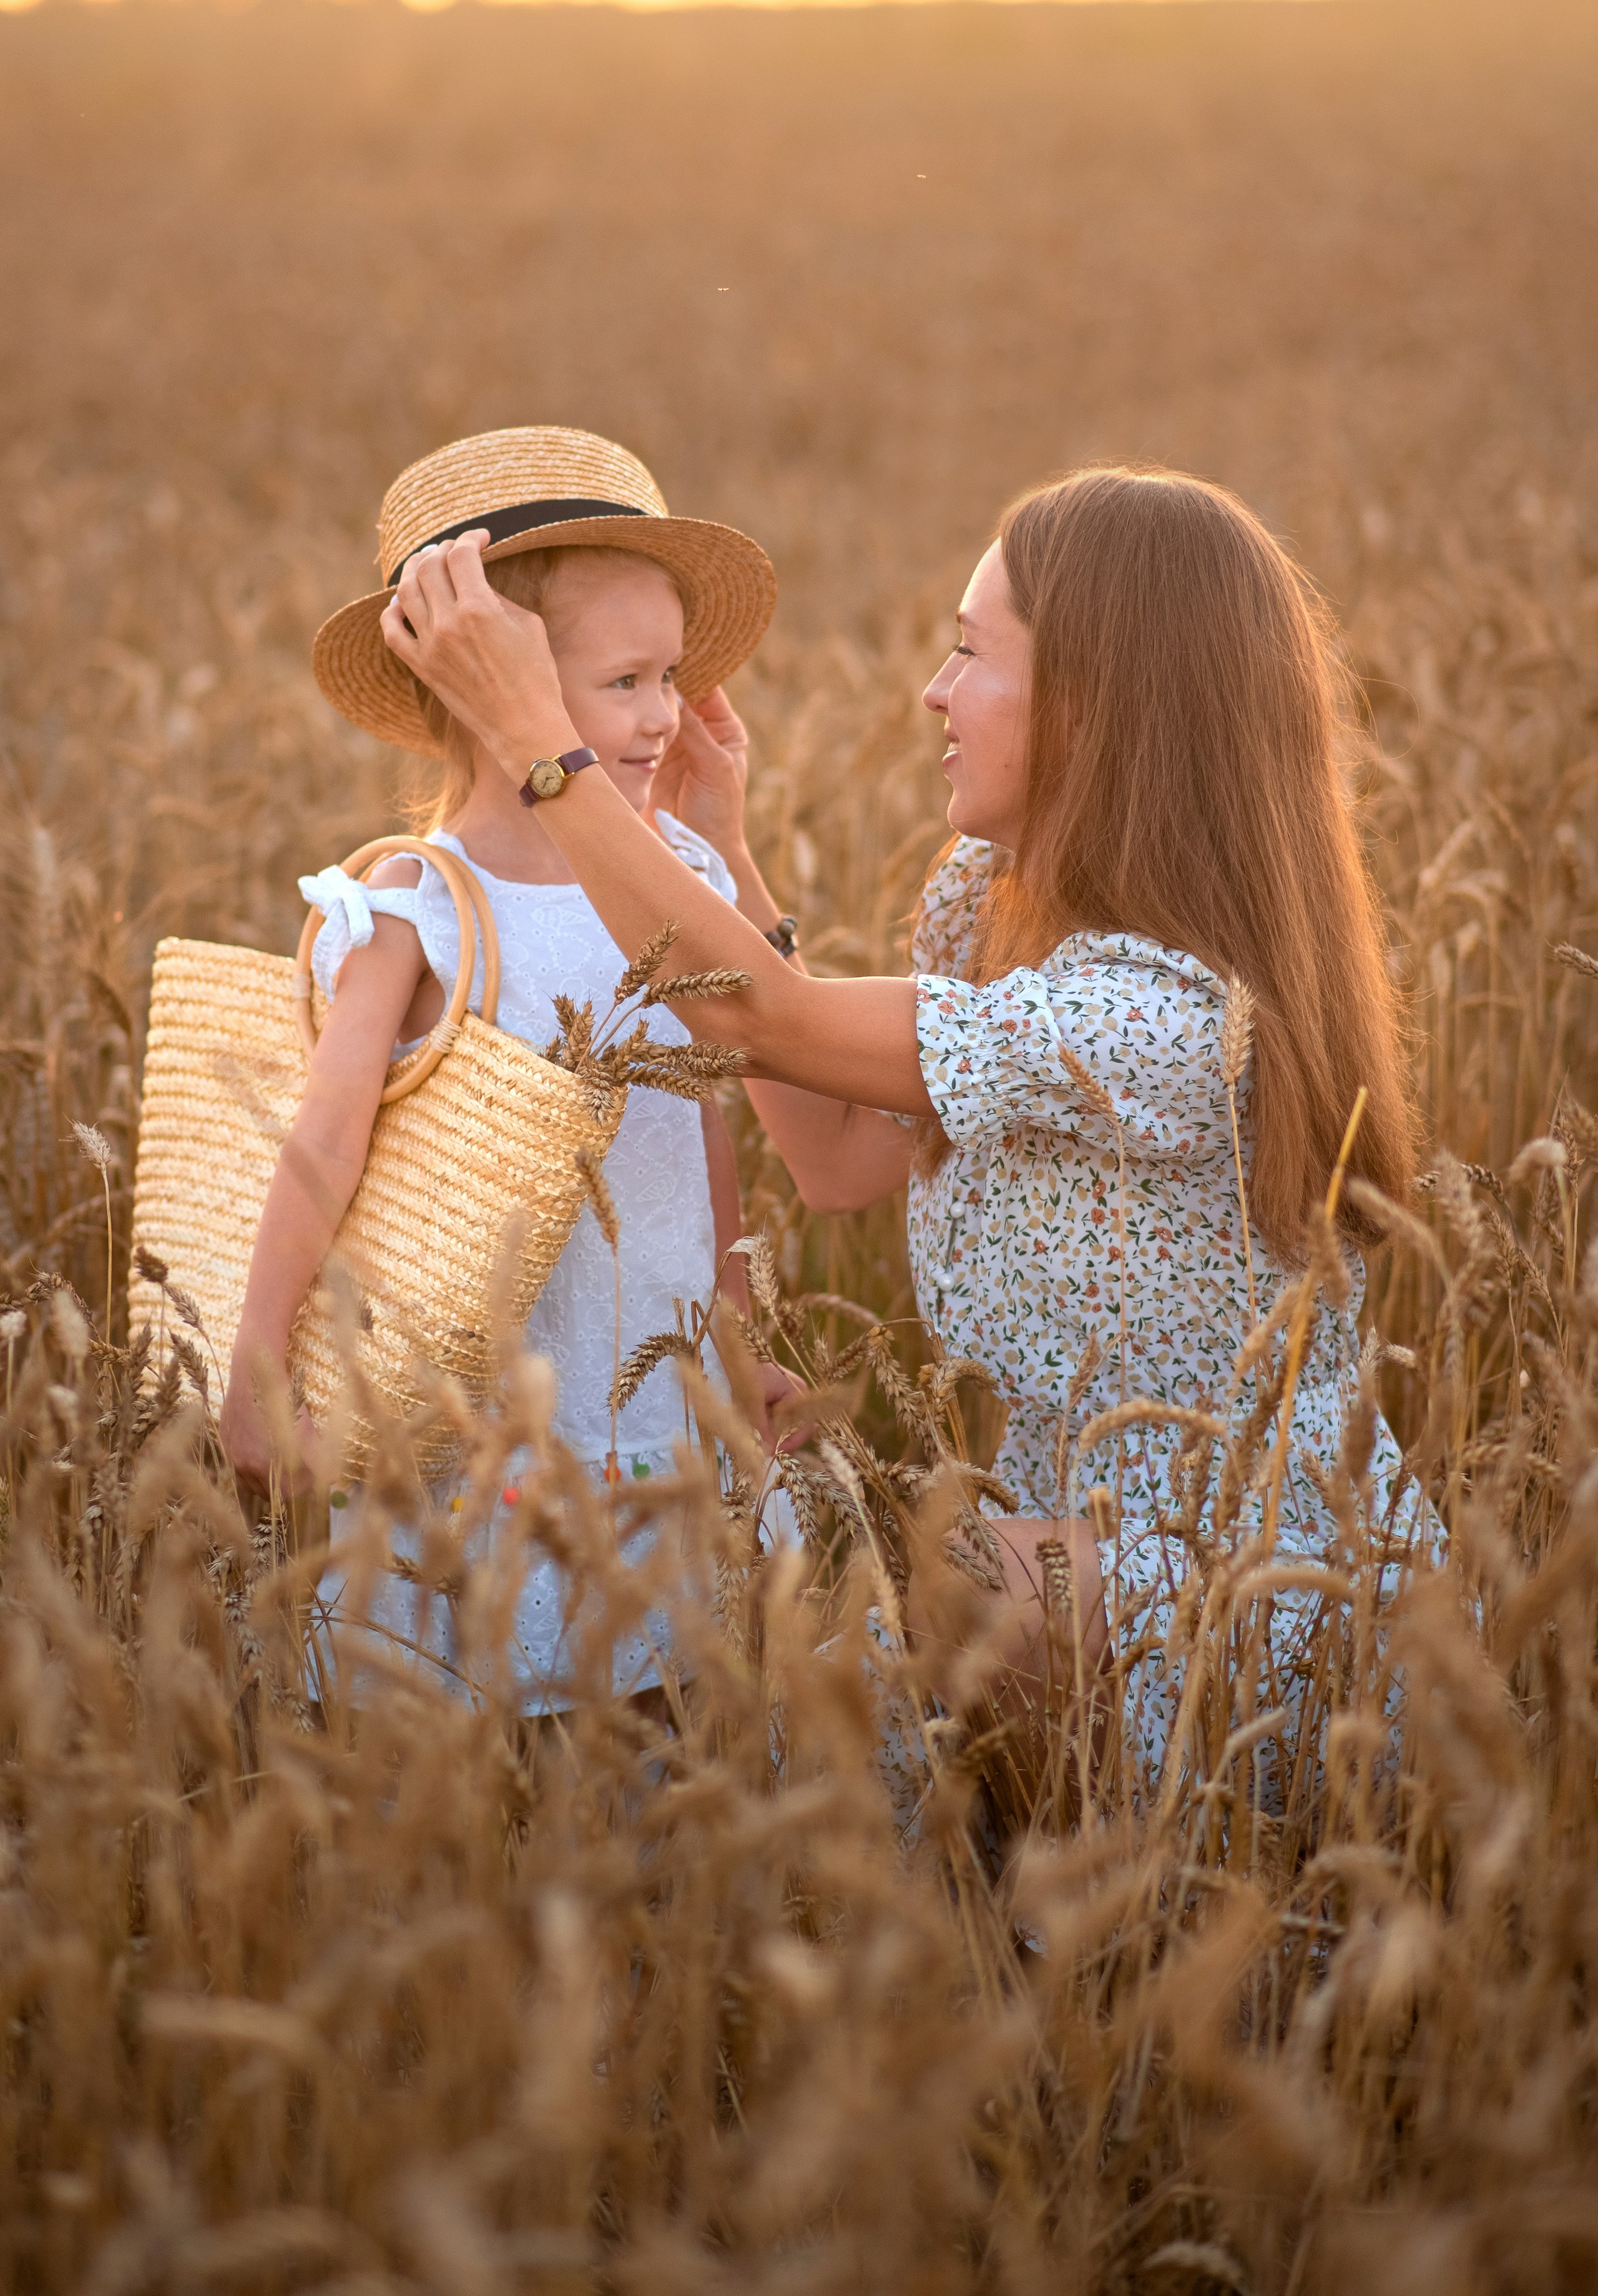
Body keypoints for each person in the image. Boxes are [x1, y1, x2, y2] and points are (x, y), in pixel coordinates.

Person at [379, 463, 1419, 1782]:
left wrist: (547, 753)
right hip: (1062, 1553)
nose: (930, 692)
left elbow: (765, 1019)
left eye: (968, 653)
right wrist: (715, 845)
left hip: (1248, 1585)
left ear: (1092, 706)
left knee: (884, 1596)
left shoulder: (1156, 1024)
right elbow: (836, 1160)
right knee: (847, 1587)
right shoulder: (988, 897)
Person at [218, 424, 793, 1708]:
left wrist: (737, 1337)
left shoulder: (678, 882)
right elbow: (318, 1147)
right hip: (481, 1419)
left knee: (663, 1739)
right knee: (479, 1742)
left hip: (650, 1403)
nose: (661, 717)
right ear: (490, 689)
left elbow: (707, 1135)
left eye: (669, 678)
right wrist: (257, 1363)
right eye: (626, 681)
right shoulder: (416, 908)